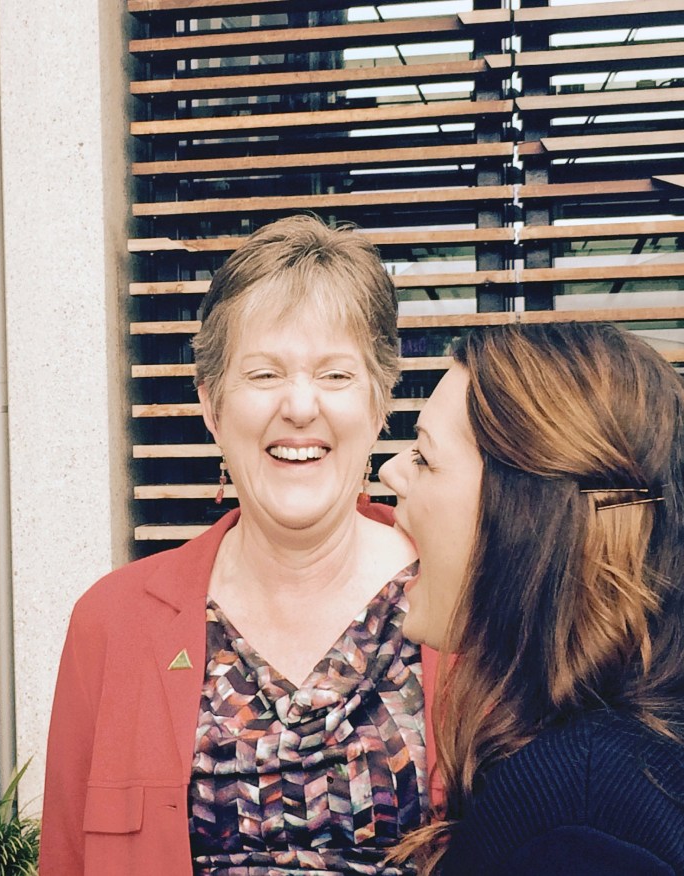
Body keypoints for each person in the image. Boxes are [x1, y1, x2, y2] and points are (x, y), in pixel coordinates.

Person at [41, 215, 431, 875]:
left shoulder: (461, 603)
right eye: (263, 374)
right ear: (211, 406)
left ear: (380, 399)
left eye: (334, 375)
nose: (300, 406)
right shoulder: (112, 623)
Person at [378, 322, 684, 875]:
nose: (390, 471)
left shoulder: (578, 821)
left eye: (424, 456)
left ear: (533, 520)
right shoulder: (676, 755)